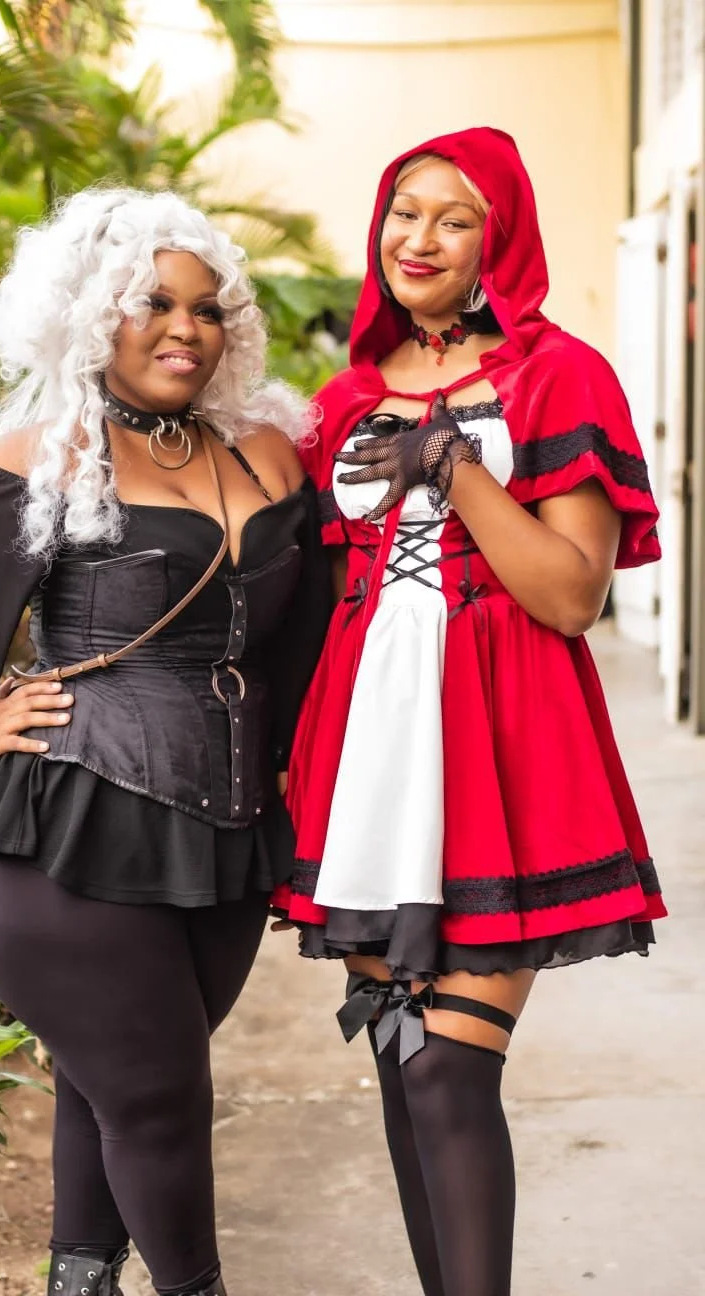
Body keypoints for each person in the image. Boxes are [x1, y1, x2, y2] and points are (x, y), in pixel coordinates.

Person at [0, 188, 331, 1296]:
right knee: (161, 1096)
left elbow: (308, 611)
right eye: (154, 303)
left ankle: (81, 1281)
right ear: (95, 311)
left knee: (117, 1086)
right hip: (66, 822)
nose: (184, 330)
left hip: (223, 833)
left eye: (208, 311)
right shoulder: (53, 450)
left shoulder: (262, 452)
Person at [271, 127, 667, 1296]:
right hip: (369, 761)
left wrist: (459, 468)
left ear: (501, 238)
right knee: (400, 1061)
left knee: (449, 1071)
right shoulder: (338, 400)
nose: (420, 238)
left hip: (500, 750)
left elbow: (570, 592)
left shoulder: (559, 376)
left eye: (454, 217)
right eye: (403, 212)